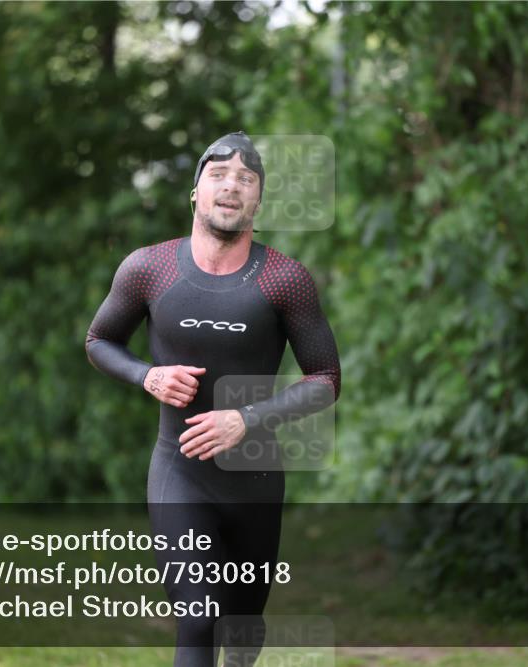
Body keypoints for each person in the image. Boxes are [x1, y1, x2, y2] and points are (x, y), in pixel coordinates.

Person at [85, 130, 341, 667]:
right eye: (219, 174)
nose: (232, 185)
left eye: (246, 178)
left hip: (255, 477)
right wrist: (147, 376)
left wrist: (246, 419)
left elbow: (325, 378)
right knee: (199, 614)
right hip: (179, 470)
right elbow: (99, 341)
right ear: (195, 192)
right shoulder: (148, 268)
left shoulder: (285, 280)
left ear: (258, 201)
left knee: (242, 629)